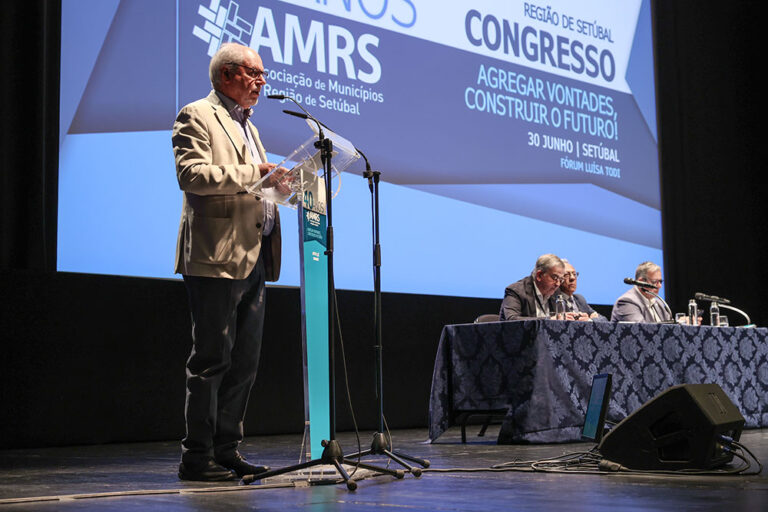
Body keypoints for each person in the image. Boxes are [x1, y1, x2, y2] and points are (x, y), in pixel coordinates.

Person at [172, 43, 282, 481]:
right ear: (226, 75)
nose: (261, 82)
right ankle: (196, 458)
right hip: (215, 257)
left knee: (244, 365)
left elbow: (256, 185)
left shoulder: (249, 127)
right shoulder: (196, 114)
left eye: (263, 74)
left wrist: (279, 189)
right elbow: (192, 175)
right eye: (254, 73)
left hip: (254, 257)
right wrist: (256, 174)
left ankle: (226, 450)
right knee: (212, 360)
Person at [499, 254, 566, 320]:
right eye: (555, 277)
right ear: (539, 275)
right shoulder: (516, 291)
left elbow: (562, 317)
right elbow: (511, 319)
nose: (558, 284)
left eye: (561, 279)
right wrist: (549, 319)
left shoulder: (555, 291)